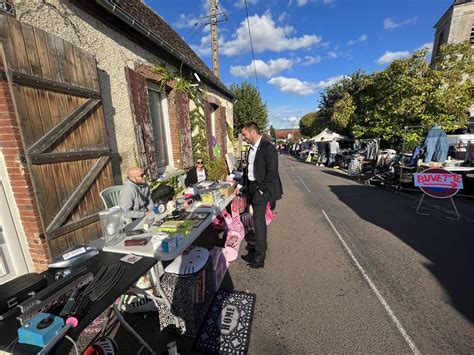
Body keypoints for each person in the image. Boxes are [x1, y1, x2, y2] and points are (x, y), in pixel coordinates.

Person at [237, 122, 283, 269]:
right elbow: (248, 170)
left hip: (260, 190)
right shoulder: (250, 149)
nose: (243, 137)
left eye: (244, 134)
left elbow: (272, 173)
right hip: (250, 187)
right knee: (255, 220)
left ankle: (259, 257)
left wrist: (261, 191)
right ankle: (259, 245)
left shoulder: (268, 148)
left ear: (253, 132)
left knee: (258, 222)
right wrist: (240, 185)